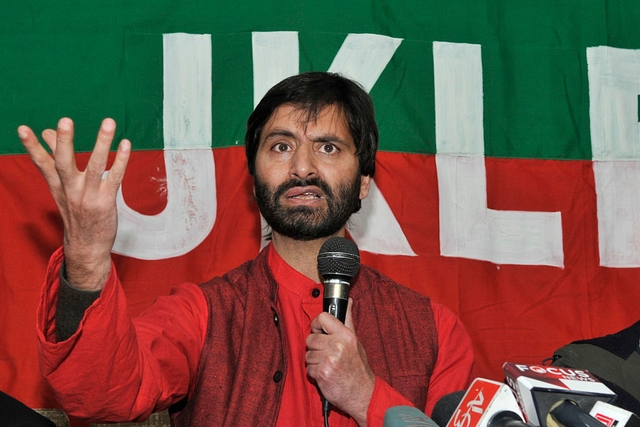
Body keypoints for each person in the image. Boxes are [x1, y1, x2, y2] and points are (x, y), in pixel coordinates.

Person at [18, 72, 475, 427]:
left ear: (364, 181)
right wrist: (86, 256)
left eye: (328, 147)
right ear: (254, 182)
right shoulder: (202, 314)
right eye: (280, 146)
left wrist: (365, 395)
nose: (302, 168)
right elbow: (102, 394)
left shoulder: (434, 330)